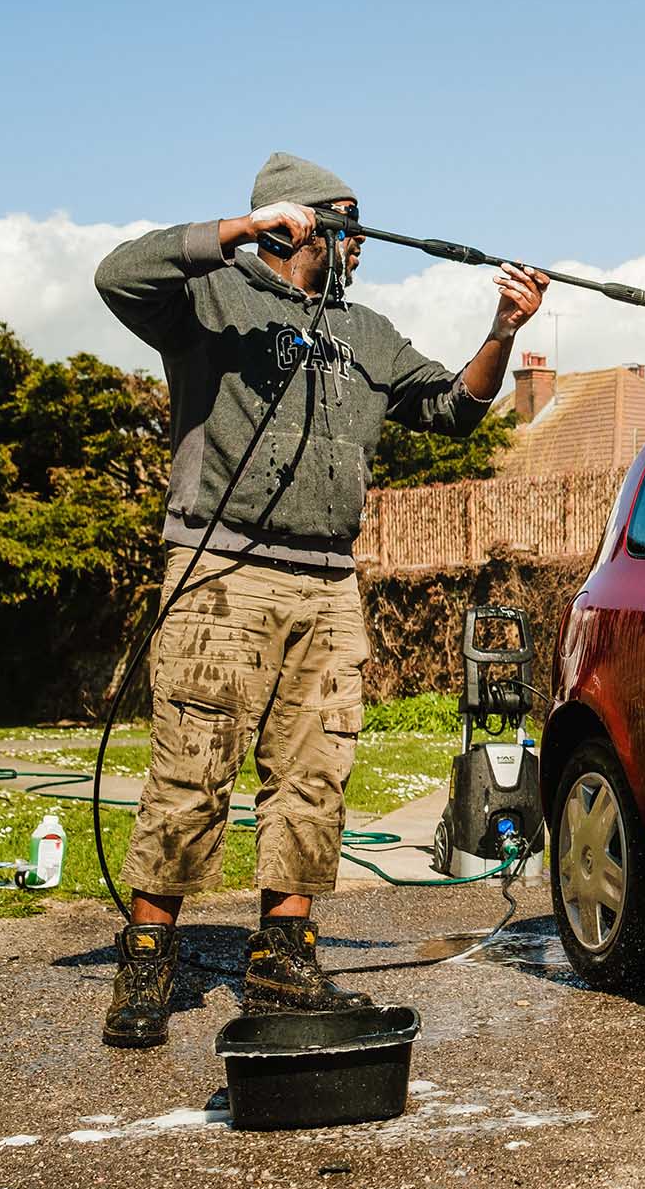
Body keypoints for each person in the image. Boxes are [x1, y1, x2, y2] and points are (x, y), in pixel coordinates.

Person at [92, 153, 548, 1047]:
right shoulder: (211, 301)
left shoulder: (367, 332)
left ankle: (285, 956)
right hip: (223, 573)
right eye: (347, 223)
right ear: (292, 220)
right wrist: (234, 234)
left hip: (331, 582)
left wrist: (500, 329)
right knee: (192, 773)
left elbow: (454, 410)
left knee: (314, 776)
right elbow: (117, 273)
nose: (359, 242)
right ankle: (148, 955)